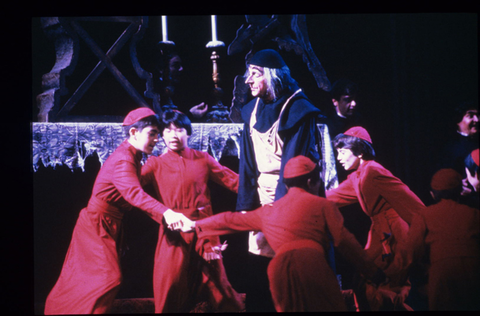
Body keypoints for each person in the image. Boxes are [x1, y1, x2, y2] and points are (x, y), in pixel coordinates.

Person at [171, 155, 387, 312]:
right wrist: (372, 270)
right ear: (311, 181)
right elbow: (345, 241)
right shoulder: (322, 205)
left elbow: (229, 220)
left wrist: (195, 226)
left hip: (278, 270)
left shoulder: (268, 211)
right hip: (311, 264)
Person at [44, 107, 190, 315]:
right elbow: (134, 194)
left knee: (83, 279)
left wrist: (165, 217)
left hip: (107, 222)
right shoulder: (124, 159)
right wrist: (167, 214)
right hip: (96, 225)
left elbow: (135, 191)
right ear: (133, 133)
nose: (157, 139)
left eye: (158, 134)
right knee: (106, 279)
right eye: (152, 133)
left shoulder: (133, 155)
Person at [236, 48, 325, 311]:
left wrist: (280, 211)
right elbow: (247, 165)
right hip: (262, 201)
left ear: (272, 77)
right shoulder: (251, 111)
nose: (247, 80)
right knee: (260, 273)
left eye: (255, 75)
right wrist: (246, 205)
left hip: (291, 201)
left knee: (290, 276)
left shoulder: (297, 109)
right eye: (248, 74)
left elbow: (293, 165)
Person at [140, 110, 244, 313]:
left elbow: (233, 181)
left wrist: (268, 188)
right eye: (168, 130)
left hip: (205, 229)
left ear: (188, 133)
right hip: (173, 229)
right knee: (169, 283)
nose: (173, 135)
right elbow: (132, 190)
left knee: (218, 284)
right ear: (162, 135)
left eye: (179, 129)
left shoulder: (202, 159)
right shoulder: (155, 164)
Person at [325, 126, 426, 311]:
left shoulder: (373, 170)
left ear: (360, 151)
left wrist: (432, 226)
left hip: (394, 235)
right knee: (368, 282)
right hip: (380, 233)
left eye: (342, 152)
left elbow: (410, 200)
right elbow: (332, 197)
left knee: (386, 285)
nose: (338, 157)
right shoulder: (358, 176)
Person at [398, 168, 480, 310]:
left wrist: (398, 275)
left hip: (442, 271)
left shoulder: (424, 215)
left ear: (433, 193)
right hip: (475, 269)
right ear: (460, 191)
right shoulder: (474, 213)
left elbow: (412, 249)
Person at [437, 100, 478, 176]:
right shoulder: (449, 148)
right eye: (470, 116)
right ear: (458, 120)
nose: (477, 120)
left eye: (478, 115)